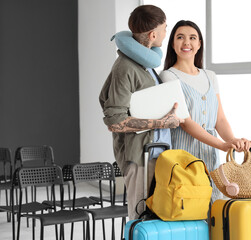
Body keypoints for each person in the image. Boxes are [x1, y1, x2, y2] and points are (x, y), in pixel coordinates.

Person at [99, 5, 184, 220]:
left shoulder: (146, 65)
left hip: (158, 152)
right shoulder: (125, 67)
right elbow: (115, 122)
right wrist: (161, 123)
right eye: (165, 28)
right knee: (139, 217)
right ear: (153, 34)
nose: (166, 33)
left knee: (156, 217)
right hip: (138, 157)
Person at [160, 20, 251, 201]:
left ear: (199, 44)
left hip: (210, 156)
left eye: (192, 38)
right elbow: (185, 122)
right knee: (188, 206)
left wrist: (233, 141)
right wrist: (221, 145)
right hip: (183, 154)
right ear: (172, 44)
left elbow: (220, 120)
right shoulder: (168, 76)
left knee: (213, 208)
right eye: (180, 37)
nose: (186, 42)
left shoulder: (210, 76)